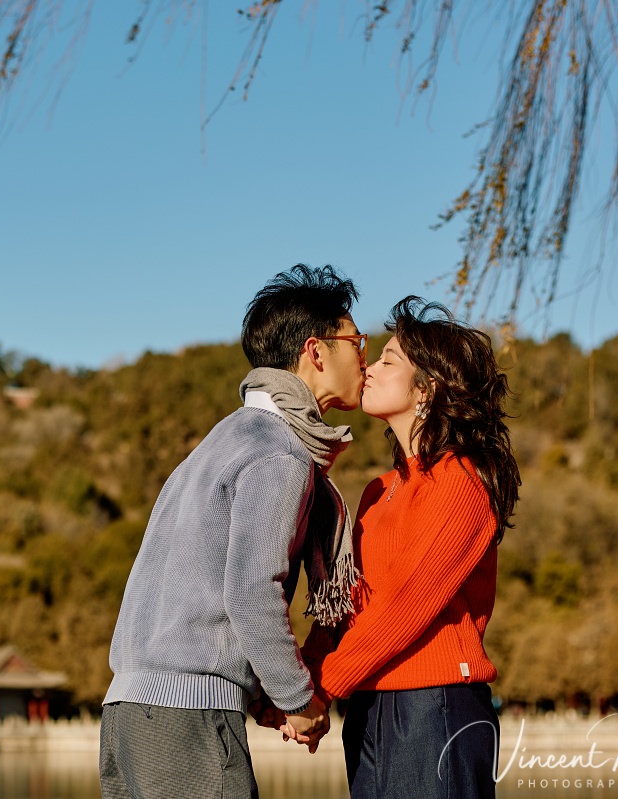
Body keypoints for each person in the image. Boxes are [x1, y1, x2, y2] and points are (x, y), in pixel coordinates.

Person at [99, 263, 367, 799]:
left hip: (128, 712)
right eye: (356, 340)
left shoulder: (222, 440)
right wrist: (298, 699)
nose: (364, 355)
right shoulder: (278, 451)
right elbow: (250, 593)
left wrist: (266, 693)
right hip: (187, 716)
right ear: (316, 352)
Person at [295, 296, 521, 798]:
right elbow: (348, 604)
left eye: (388, 360)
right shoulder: (378, 491)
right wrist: (298, 682)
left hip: (436, 707)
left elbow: (405, 606)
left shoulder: (461, 481)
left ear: (429, 387)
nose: (368, 367)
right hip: (371, 708)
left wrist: (320, 689)